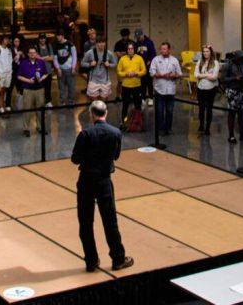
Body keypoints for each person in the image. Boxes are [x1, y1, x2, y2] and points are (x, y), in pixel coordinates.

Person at [71, 101, 133, 272]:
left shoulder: (85, 134)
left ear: (91, 114)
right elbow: (116, 156)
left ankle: (91, 260)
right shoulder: (115, 133)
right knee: (110, 221)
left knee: (85, 222)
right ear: (105, 113)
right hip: (104, 181)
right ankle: (118, 258)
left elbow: (75, 159)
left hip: (86, 181)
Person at [148, 43, 182, 136]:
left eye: (165, 49)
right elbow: (151, 73)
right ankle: (160, 129)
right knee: (159, 111)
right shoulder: (155, 59)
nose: (163, 51)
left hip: (171, 90)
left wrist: (172, 75)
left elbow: (179, 74)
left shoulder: (174, 60)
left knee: (169, 111)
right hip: (159, 89)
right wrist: (162, 75)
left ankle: (168, 128)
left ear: (169, 50)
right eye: (162, 49)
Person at [16, 47, 49, 137]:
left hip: (39, 89)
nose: (32, 54)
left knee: (40, 109)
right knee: (27, 109)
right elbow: (18, 76)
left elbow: (46, 73)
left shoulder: (41, 62)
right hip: (28, 89)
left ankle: (40, 127)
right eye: (30, 53)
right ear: (28, 54)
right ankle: (26, 128)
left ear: (36, 53)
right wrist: (28, 80)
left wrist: (42, 78)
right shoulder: (24, 63)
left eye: (34, 53)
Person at [220, 50, 243, 144]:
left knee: (242, 114)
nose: (242, 60)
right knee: (232, 114)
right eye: (240, 58)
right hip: (232, 91)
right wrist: (234, 78)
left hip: (242, 91)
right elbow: (222, 79)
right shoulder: (228, 65)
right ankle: (231, 135)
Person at [80, 34, 116, 102]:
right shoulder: (90, 53)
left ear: (105, 43)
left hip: (105, 80)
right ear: (96, 43)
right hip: (93, 80)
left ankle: (103, 111)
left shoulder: (109, 53)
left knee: (104, 101)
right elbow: (82, 63)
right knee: (94, 102)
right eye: (99, 42)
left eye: (103, 42)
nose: (101, 44)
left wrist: (109, 65)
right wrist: (90, 64)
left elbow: (114, 64)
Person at [115, 43, 145, 123]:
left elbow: (144, 71)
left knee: (138, 105)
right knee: (125, 105)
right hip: (126, 86)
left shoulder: (139, 58)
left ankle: (138, 123)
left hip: (137, 86)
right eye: (128, 49)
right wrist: (126, 74)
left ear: (134, 49)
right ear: (126, 50)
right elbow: (118, 71)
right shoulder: (122, 59)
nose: (130, 50)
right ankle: (124, 122)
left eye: (131, 48)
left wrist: (136, 73)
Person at [195, 45, 220, 136]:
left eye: (207, 51)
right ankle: (201, 125)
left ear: (211, 52)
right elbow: (196, 74)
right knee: (201, 109)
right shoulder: (199, 62)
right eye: (204, 51)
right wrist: (206, 75)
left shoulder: (215, 63)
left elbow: (214, 77)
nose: (205, 53)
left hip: (211, 89)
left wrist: (203, 75)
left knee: (209, 109)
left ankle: (207, 128)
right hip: (200, 88)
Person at [53, 33, 77, 107]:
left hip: (69, 69)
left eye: (58, 35)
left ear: (62, 36)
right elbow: (55, 58)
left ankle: (71, 102)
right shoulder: (56, 45)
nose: (57, 37)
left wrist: (73, 67)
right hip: (61, 69)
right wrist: (58, 68)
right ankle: (62, 102)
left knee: (71, 86)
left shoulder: (70, 45)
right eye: (56, 36)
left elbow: (74, 56)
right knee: (61, 87)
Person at [0, 34, 15, 113]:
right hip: (0, 75)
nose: (7, 41)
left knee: (4, 90)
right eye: (5, 39)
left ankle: (2, 105)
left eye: (7, 39)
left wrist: (10, 72)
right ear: (2, 40)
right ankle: (1, 107)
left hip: (7, 74)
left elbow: (10, 61)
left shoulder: (8, 50)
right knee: (0, 91)